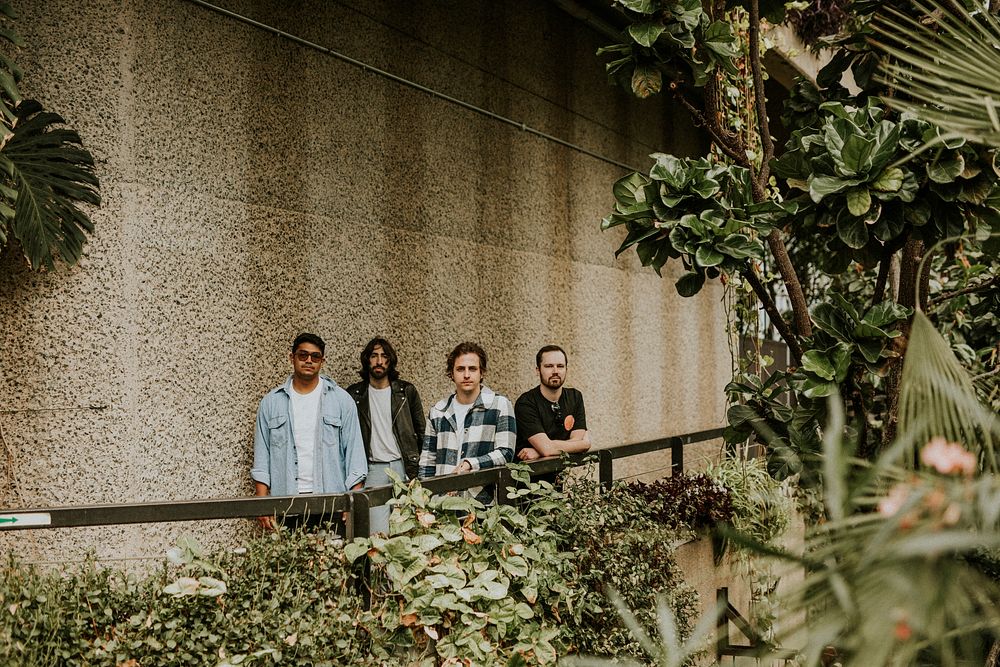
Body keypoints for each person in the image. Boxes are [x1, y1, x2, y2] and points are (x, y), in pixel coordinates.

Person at [251, 332, 367, 531]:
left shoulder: (341, 400)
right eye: (303, 355)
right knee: (289, 562)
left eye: (315, 357)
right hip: (285, 503)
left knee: (331, 560)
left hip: (331, 503)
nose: (309, 361)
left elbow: (355, 455)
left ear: (322, 361)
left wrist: (352, 501)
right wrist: (262, 503)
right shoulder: (271, 403)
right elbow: (262, 458)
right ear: (292, 358)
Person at [418, 341, 515, 505]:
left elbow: (506, 453)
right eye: (460, 369)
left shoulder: (499, 405)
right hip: (443, 505)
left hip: (482, 503)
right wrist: (425, 502)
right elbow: (427, 462)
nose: (467, 374)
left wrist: (471, 464)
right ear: (451, 374)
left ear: (482, 372)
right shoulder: (438, 411)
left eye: (473, 369)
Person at [346, 336, 426, 534]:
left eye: (384, 356)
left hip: (404, 467)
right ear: (367, 360)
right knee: (377, 533)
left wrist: (420, 472)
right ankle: (378, 567)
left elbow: (422, 432)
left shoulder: (406, 391)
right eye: (374, 356)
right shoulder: (355, 395)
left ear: (390, 361)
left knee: (406, 530)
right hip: (373, 470)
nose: (379, 361)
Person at [514, 345, 591, 483]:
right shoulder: (526, 403)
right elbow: (579, 444)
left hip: (557, 481)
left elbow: (551, 448)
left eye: (560, 366)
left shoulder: (575, 397)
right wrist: (583, 445)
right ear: (538, 370)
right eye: (549, 366)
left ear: (567, 369)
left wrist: (539, 451)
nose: (555, 371)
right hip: (526, 487)